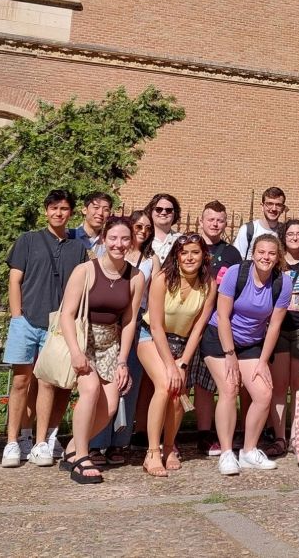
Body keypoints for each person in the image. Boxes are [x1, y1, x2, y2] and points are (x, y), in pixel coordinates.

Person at [1, 190, 86, 468]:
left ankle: (41, 441)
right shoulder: (29, 240)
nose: (58, 213)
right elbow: (15, 280)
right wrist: (17, 316)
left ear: (71, 213)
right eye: (53, 208)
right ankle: (13, 441)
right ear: (46, 211)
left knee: (51, 382)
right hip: (27, 320)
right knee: (21, 381)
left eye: (64, 208)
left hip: (57, 325)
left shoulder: (78, 248)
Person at [60, 216, 145, 484]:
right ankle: (82, 458)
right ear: (104, 240)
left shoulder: (135, 276)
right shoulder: (85, 271)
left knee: (108, 407)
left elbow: (129, 321)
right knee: (90, 391)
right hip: (83, 338)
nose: (119, 244)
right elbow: (67, 314)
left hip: (111, 342)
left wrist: (122, 362)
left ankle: (73, 447)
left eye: (124, 239)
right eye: (113, 238)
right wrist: (75, 352)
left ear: (130, 241)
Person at [203, 233, 291, 475]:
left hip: (252, 343)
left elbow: (274, 326)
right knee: (230, 388)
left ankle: (249, 451)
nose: (266, 257)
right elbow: (222, 316)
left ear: (278, 257)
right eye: (261, 252)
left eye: (272, 253)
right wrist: (229, 354)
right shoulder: (236, 273)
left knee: (264, 393)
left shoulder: (282, 282)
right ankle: (227, 452)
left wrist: (263, 361)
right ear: (253, 253)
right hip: (220, 339)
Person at [138, 234, 216, 476]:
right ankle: (152, 453)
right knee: (164, 384)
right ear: (176, 256)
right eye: (184, 253)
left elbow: (198, 327)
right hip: (151, 338)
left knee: (177, 394)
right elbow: (156, 326)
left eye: (195, 252)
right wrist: (170, 366)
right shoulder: (162, 279)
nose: (189, 257)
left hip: (182, 343)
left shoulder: (209, 285)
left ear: (204, 255)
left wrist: (182, 363)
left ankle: (170, 447)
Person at [88, 209, 153, 466]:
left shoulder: (150, 261)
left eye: (146, 228)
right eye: (138, 226)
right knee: (98, 391)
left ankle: (119, 442)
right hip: (99, 334)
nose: (142, 232)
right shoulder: (96, 261)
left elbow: (137, 309)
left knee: (126, 388)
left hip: (131, 328)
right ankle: (92, 444)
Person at [194, 200, 242, 456]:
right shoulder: (191, 247)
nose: (214, 224)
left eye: (219, 220)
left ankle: (205, 433)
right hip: (185, 322)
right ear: (201, 221)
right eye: (210, 219)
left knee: (206, 382)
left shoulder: (232, 253)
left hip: (214, 324)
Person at [269, 218, 299, 457]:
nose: (295, 237)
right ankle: (279, 437)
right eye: (290, 233)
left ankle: (298, 436)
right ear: (283, 237)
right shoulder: (276, 263)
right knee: (279, 387)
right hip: (278, 330)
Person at [233, 186, 286, 260]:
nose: (274, 209)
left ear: (283, 208)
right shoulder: (248, 229)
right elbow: (237, 260)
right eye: (269, 204)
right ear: (262, 206)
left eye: (278, 205)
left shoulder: (285, 231)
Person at [69, 191, 113, 257]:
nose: (100, 213)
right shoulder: (70, 237)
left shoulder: (109, 242)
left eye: (106, 210)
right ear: (84, 210)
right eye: (96, 207)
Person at [145, 193, 183, 265]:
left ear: (175, 214)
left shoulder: (181, 239)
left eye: (168, 210)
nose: (163, 212)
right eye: (158, 209)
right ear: (151, 212)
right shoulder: (143, 238)